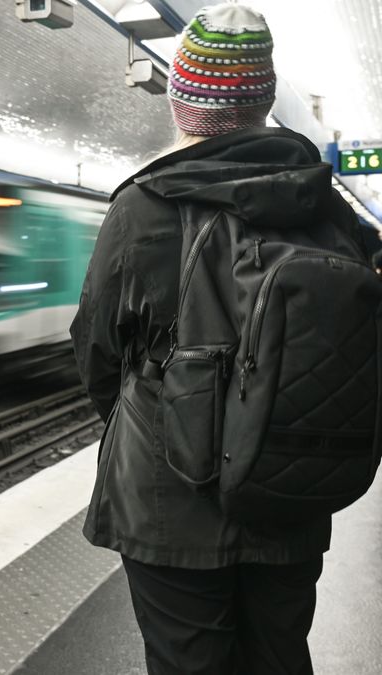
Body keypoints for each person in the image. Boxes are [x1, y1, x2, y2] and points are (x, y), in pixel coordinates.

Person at [70, 5, 377, 673]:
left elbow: (95, 352)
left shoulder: (143, 207)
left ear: (182, 101)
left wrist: (152, 421)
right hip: (289, 488)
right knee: (278, 655)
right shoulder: (324, 206)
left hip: (167, 501)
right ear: (264, 101)